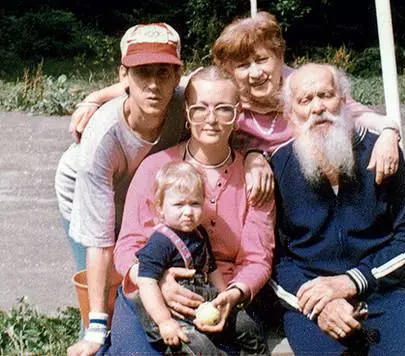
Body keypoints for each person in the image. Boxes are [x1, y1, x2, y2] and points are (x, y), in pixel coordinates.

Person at [70, 11, 401, 186]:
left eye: (262, 60)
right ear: (228, 70)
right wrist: (93, 99)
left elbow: (355, 112)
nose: (254, 73)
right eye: (242, 65)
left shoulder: (299, 88)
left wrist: (388, 132)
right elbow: (162, 84)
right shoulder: (225, 94)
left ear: (279, 56)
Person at [107, 66, 274, 354]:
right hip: (149, 295)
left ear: (237, 115)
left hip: (217, 297)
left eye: (223, 109)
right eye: (200, 109)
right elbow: (126, 246)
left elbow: (258, 258)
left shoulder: (254, 178)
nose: (211, 120)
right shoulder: (156, 168)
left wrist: (232, 295)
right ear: (186, 114)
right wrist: (156, 281)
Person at [270, 63, 405, 354]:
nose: (318, 107)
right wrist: (320, 303)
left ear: (344, 102)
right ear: (290, 114)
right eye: (305, 100)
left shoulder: (382, 154)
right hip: (313, 304)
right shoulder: (278, 167)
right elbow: (273, 258)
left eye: (326, 95)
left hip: (381, 292)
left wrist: (352, 281)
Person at [55, 23, 186, 356]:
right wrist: (97, 329)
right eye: (142, 73)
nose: (154, 84)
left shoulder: (187, 99)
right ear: (124, 75)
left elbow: (228, 88)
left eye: (163, 72)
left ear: (177, 75)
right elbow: (100, 243)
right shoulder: (102, 139)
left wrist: (94, 95)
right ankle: (94, 331)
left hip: (141, 191)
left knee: (138, 272)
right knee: (104, 274)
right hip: (87, 186)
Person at [133, 160, 268, 354]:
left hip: (201, 296)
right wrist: (164, 321)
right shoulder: (159, 243)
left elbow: (211, 268)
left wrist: (223, 298)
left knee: (246, 324)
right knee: (203, 348)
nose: (188, 212)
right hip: (169, 310)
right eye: (179, 204)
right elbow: (146, 283)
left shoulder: (199, 233)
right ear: (161, 207)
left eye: (194, 203)